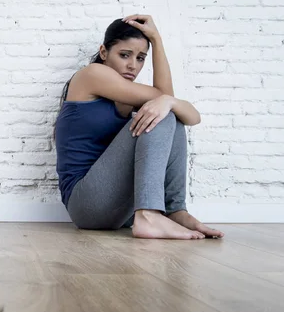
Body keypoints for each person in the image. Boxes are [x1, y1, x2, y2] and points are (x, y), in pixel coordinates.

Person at [54, 14, 224, 239]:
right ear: (104, 52)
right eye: (124, 55)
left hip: (119, 210)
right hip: (86, 204)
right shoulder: (92, 75)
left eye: (141, 58)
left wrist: (157, 41)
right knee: (161, 111)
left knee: (167, 112)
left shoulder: (127, 93)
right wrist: (167, 101)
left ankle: (174, 211)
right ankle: (149, 216)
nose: (133, 65)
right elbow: (164, 97)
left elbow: (192, 116)